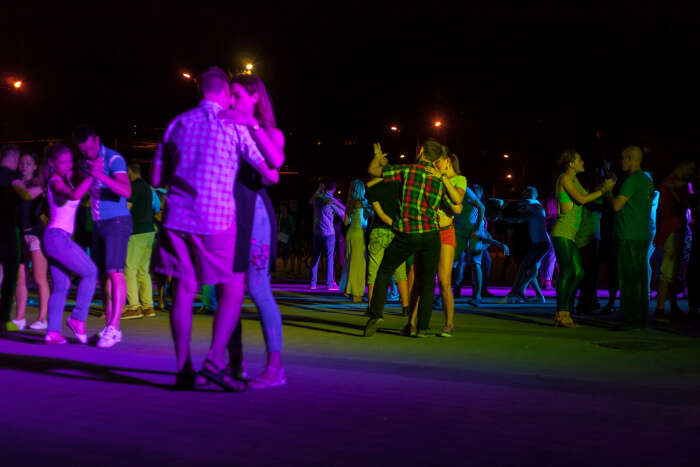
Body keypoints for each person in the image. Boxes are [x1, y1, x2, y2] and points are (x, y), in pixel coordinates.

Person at [152, 67, 275, 390]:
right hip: (216, 218)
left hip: (176, 218)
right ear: (223, 93)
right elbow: (268, 170)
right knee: (233, 289)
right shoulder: (231, 125)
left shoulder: (176, 123)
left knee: (183, 288)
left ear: (200, 91)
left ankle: (183, 370)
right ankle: (213, 360)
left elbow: (155, 179)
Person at [219, 73, 285, 388]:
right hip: (226, 213)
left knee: (258, 289)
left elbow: (275, 166)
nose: (232, 101)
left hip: (254, 212)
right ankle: (234, 363)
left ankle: (275, 367)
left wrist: (250, 124)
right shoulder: (225, 125)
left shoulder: (270, 131)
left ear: (255, 97)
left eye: (238, 96)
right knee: (226, 291)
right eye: (229, 96)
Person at [363, 139, 460, 337]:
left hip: (408, 232)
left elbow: (373, 171)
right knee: (427, 281)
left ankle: (376, 314)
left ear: (422, 151)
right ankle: (422, 327)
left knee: (385, 270)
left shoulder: (407, 170)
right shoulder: (437, 177)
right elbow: (456, 203)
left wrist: (378, 158)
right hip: (432, 235)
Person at [73, 124, 132, 348]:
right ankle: (110, 326)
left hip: (117, 221)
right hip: (97, 222)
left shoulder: (113, 159)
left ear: (97, 140)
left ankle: (115, 327)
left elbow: (126, 191)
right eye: (83, 151)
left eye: (90, 148)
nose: (88, 153)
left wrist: (99, 175)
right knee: (102, 277)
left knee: (115, 274)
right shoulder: (83, 161)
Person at [41, 143, 98, 344]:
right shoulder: (55, 182)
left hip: (58, 238)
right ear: (52, 163)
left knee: (61, 285)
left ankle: (52, 332)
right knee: (91, 272)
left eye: (69, 161)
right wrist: (93, 175)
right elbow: (74, 195)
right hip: (57, 238)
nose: (67, 165)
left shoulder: (65, 180)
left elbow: (77, 197)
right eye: (62, 162)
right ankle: (78, 318)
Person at [551, 150, 615, 328]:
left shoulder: (574, 180)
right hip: (562, 232)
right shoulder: (564, 178)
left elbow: (588, 195)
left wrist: (605, 181)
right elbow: (582, 200)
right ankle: (562, 313)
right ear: (571, 164)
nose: (583, 162)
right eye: (579, 160)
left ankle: (565, 311)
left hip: (570, 235)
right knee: (567, 272)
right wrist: (603, 190)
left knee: (579, 273)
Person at [607, 146, 654, 328]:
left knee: (628, 278)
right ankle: (640, 315)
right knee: (639, 278)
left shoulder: (633, 180)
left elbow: (617, 206)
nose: (621, 162)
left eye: (622, 159)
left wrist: (608, 192)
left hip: (629, 234)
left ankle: (630, 316)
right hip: (642, 233)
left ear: (629, 158)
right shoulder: (646, 179)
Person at [10, 152, 50, 330]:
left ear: (35, 167)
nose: (24, 166)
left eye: (28, 163)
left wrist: (13, 183)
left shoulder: (39, 185)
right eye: (22, 163)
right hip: (19, 234)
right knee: (19, 277)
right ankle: (20, 317)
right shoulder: (15, 185)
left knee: (39, 277)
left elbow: (27, 195)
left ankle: (42, 318)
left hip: (35, 233)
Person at [365, 156, 410, 316]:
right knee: (400, 271)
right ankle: (405, 306)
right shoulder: (400, 185)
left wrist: (376, 157)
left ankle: (372, 307)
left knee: (374, 272)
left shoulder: (373, 188)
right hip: (397, 232)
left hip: (379, 231)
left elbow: (381, 215)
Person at [654, 159, 696, 319]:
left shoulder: (667, 182)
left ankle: (671, 306)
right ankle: (659, 309)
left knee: (671, 269)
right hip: (673, 229)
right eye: (689, 168)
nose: (689, 173)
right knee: (668, 269)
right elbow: (686, 202)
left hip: (670, 228)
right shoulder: (676, 184)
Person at [498, 186, 550, 304]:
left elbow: (519, 219)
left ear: (535, 195)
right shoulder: (533, 205)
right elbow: (519, 212)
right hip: (539, 243)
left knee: (524, 269)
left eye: (530, 193)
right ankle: (537, 297)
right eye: (525, 192)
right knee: (529, 270)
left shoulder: (535, 206)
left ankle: (513, 294)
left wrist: (502, 217)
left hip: (541, 244)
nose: (527, 194)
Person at [122, 162, 156, 319]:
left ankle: (134, 306)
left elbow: (126, 208)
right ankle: (148, 306)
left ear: (130, 170)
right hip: (149, 231)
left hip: (137, 232)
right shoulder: (147, 188)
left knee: (130, 268)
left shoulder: (135, 187)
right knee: (143, 270)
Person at [308, 181, 345, 290]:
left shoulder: (317, 197)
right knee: (329, 258)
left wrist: (319, 190)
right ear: (334, 189)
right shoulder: (331, 201)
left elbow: (310, 201)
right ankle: (329, 284)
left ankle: (312, 283)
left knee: (315, 257)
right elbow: (343, 215)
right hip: (329, 233)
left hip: (317, 232)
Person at [0, 145, 21, 335]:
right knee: (10, 275)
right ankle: (3, 319)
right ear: (14, 159)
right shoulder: (14, 178)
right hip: (6, 231)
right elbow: (27, 195)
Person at [342, 180, 369, 302]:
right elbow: (364, 223)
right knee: (359, 265)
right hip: (359, 235)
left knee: (350, 263)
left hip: (350, 234)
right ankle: (357, 294)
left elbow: (346, 222)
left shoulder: (349, 203)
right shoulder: (363, 203)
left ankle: (348, 290)